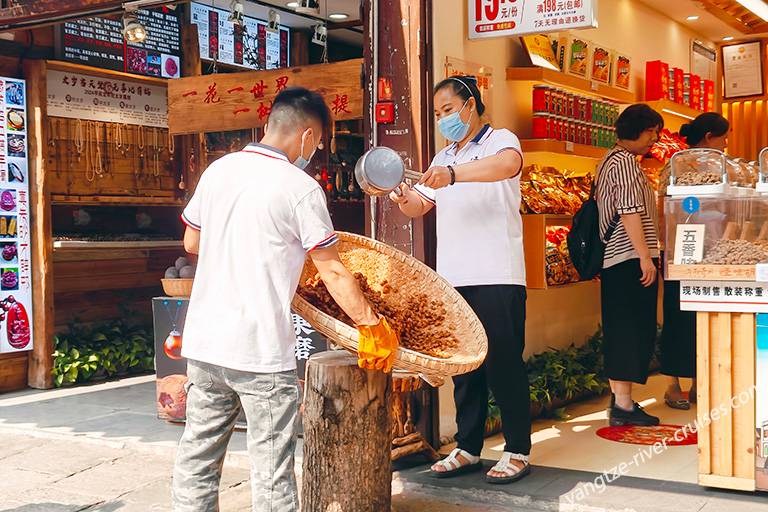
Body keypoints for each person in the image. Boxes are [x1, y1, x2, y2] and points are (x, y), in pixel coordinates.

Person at [172, 87, 399, 512]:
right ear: (308, 137)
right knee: (271, 473)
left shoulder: (218, 171)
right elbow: (331, 269)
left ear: (269, 124)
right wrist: (370, 324)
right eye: (319, 145)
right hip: (259, 353)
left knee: (197, 459)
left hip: (205, 343)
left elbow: (192, 241)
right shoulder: (300, 188)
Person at [389, 75, 530, 484]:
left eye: (448, 110)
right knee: (464, 368)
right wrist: (402, 197)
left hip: (497, 273)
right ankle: (468, 448)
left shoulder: (501, 140)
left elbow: (506, 166)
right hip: (454, 278)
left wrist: (452, 173)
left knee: (504, 363)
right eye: (437, 114)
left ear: (471, 104)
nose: (443, 119)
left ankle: (518, 450)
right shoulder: (442, 156)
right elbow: (419, 206)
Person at [597, 103, 663, 427]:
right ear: (637, 129)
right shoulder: (623, 162)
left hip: (623, 260)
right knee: (629, 328)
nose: (655, 138)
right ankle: (623, 407)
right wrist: (645, 256)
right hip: (627, 259)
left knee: (625, 326)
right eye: (652, 131)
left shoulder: (614, 160)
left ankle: (621, 400)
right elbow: (629, 212)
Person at [658, 113, 729, 410]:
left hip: (694, 250)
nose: (726, 143)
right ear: (710, 136)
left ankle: (690, 383)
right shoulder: (682, 164)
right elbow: (665, 206)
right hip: (689, 249)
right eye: (724, 136)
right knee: (687, 315)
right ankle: (682, 384)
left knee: (688, 315)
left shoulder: (711, 163)